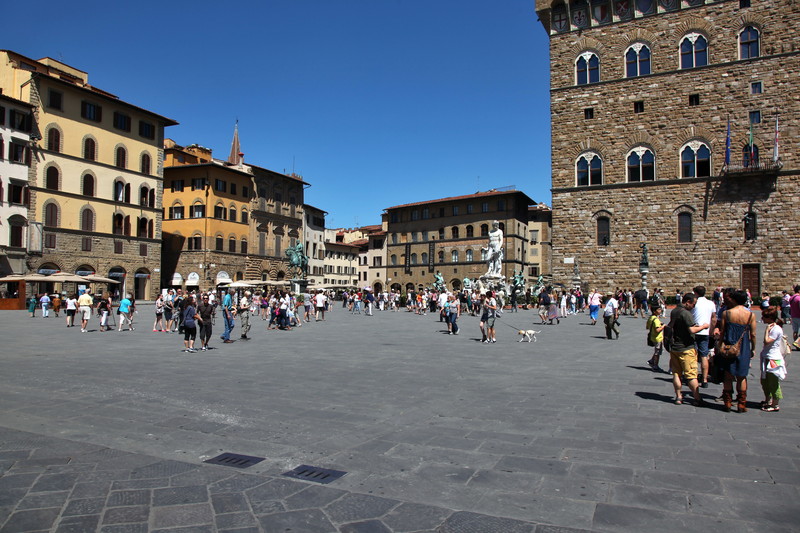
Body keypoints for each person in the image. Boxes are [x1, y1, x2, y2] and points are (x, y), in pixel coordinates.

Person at [715, 289, 757, 412]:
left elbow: (723, 332)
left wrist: (719, 345)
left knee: (728, 376)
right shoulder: (750, 315)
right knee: (742, 376)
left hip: (729, 346)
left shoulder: (727, 313)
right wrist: (753, 348)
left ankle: (727, 403)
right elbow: (753, 334)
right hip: (743, 347)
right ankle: (741, 404)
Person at [668, 293, 709, 406]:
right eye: (693, 304)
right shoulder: (686, 313)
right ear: (688, 302)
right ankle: (697, 398)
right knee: (691, 375)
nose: (694, 307)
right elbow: (691, 330)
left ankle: (678, 397)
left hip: (675, 347)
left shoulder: (674, 311)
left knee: (676, 374)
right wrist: (704, 326)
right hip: (686, 348)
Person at [760, 306, 787, 412]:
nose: (762, 319)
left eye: (764, 317)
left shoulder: (776, 329)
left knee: (773, 382)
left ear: (770, 318)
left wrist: (767, 331)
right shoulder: (773, 328)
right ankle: (768, 399)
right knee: (765, 381)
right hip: (767, 356)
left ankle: (775, 404)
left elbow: (767, 341)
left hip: (774, 359)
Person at [692, 285, 716, 388]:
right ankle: (705, 379)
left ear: (695, 293)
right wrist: (711, 331)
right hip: (705, 332)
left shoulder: (694, 302)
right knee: (704, 356)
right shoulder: (711, 303)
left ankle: (693, 377)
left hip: (694, 331)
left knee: (693, 354)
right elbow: (714, 318)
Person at [646, 305, 665, 372]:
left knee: (657, 350)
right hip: (658, 338)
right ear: (654, 311)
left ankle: (652, 360)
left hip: (652, 336)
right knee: (657, 352)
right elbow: (657, 330)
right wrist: (663, 326)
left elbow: (647, 327)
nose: (660, 310)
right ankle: (655, 366)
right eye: (659, 309)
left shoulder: (651, 318)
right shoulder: (656, 320)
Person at [790, 285, 800, 350]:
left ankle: (797, 346)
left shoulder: (791, 298)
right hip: (799, 316)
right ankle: (797, 342)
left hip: (793, 316)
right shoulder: (799, 298)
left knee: (795, 331)